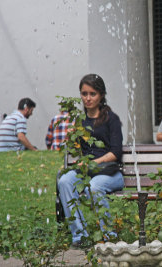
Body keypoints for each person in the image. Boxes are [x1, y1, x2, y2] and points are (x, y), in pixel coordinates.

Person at [57, 74, 124, 248]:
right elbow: (78, 150)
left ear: (101, 95)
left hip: (111, 172)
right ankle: (80, 236)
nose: (88, 98)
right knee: (64, 181)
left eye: (92, 94)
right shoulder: (80, 121)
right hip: (88, 171)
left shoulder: (111, 118)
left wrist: (92, 163)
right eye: (84, 93)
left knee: (95, 186)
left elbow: (116, 152)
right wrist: (72, 139)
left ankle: (109, 236)